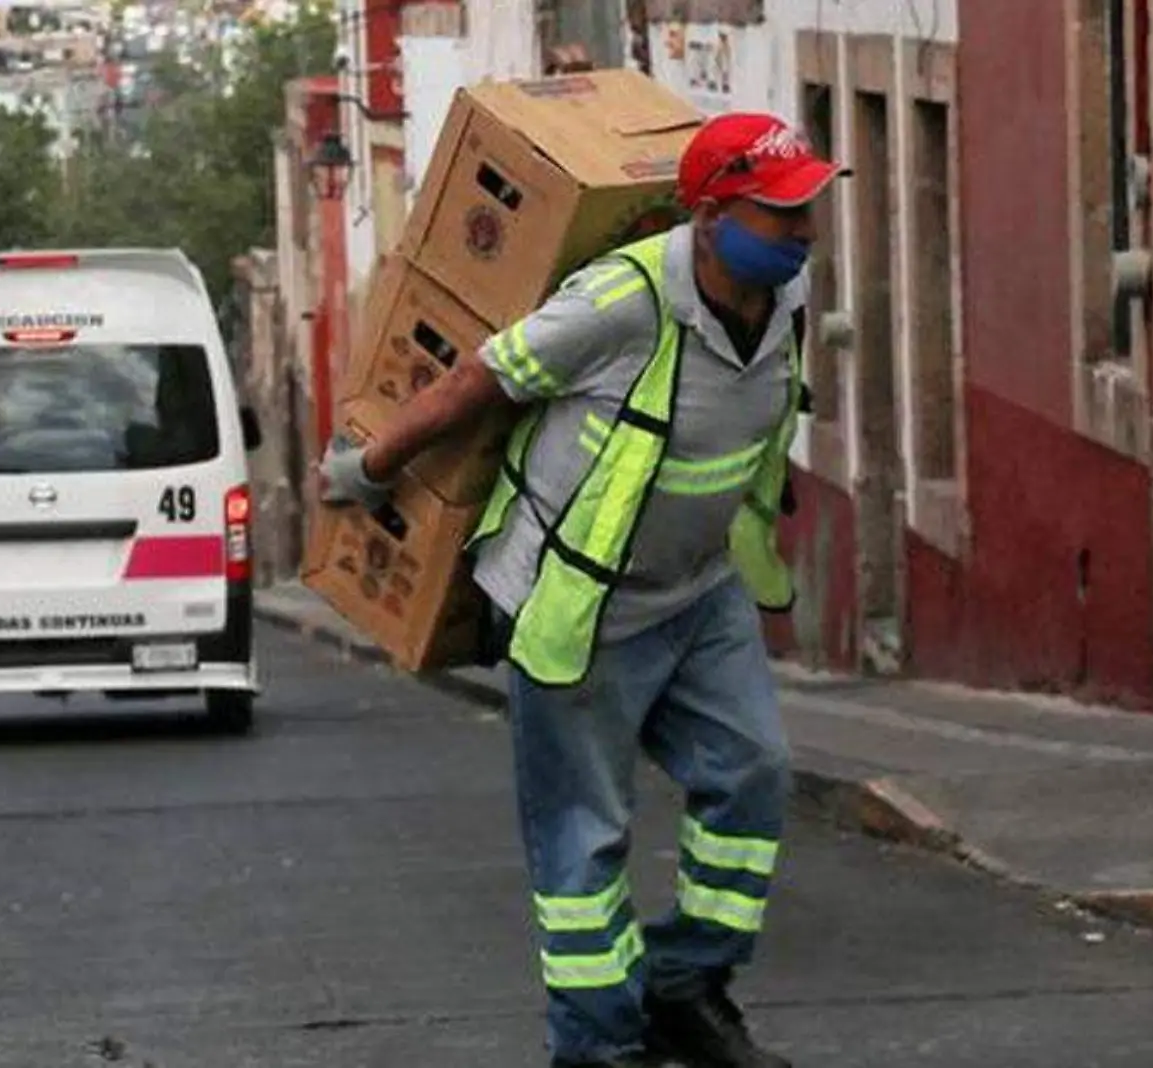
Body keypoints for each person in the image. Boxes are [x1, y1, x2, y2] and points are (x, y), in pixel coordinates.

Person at [319, 111, 847, 1068]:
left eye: (808, 209)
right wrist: (375, 462)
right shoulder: (622, 300)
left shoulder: (788, 294)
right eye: (781, 214)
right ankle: (598, 1045)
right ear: (715, 212)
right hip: (582, 609)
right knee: (584, 843)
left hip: (700, 595)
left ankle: (687, 984)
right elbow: (483, 380)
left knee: (755, 777)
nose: (804, 230)